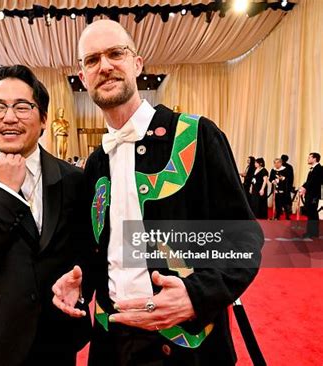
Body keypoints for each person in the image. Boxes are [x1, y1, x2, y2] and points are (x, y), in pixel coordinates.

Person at [52, 19, 263, 366]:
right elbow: (100, 251)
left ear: (137, 63)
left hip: (187, 347)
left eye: (115, 54)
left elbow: (244, 240)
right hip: (113, 343)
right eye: (92, 60)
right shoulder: (95, 163)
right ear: (83, 75)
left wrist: (196, 296)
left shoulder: (196, 135)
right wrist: (79, 281)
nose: (104, 66)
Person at [0, 65, 92, 366]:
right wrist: (6, 191)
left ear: (44, 120)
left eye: (23, 107)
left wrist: (81, 284)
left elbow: (86, 249)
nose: (9, 117)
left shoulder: (73, 179)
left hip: (57, 332)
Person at [299, 152, 322, 238]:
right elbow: (309, 181)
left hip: (314, 195)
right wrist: (303, 187)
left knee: (312, 212)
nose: (308, 159)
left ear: (314, 159)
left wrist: (304, 188)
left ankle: (312, 232)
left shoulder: (319, 169)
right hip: (310, 194)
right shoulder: (313, 169)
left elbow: (314, 182)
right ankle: (312, 232)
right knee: (311, 213)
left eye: (309, 157)